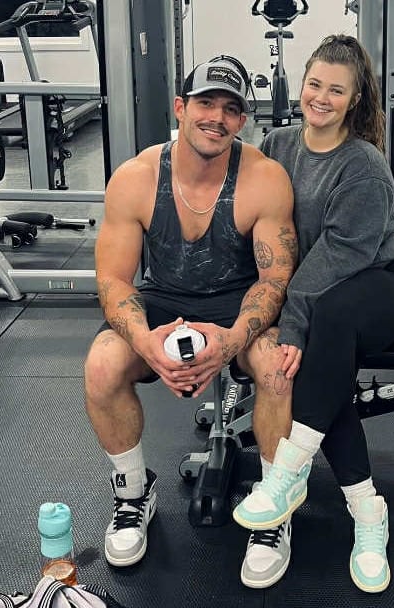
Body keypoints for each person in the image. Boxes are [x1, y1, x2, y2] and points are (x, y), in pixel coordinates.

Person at [83, 56, 297, 568]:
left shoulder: (264, 179)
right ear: (181, 107)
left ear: (242, 120)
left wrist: (231, 341)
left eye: (230, 109)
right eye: (205, 103)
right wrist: (145, 343)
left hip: (239, 301)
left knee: (276, 367)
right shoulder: (135, 178)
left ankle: (274, 508)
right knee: (102, 365)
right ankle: (133, 494)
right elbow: (114, 280)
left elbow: (273, 280)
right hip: (163, 298)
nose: (216, 118)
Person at [233, 35, 394, 593]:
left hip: (378, 285)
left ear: (355, 99)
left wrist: (291, 318)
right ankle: (368, 512)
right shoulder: (277, 144)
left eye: (336, 90)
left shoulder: (363, 165)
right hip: (312, 290)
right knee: (323, 370)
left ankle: (288, 471)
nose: (321, 97)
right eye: (315, 84)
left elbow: (341, 255)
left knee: (329, 320)